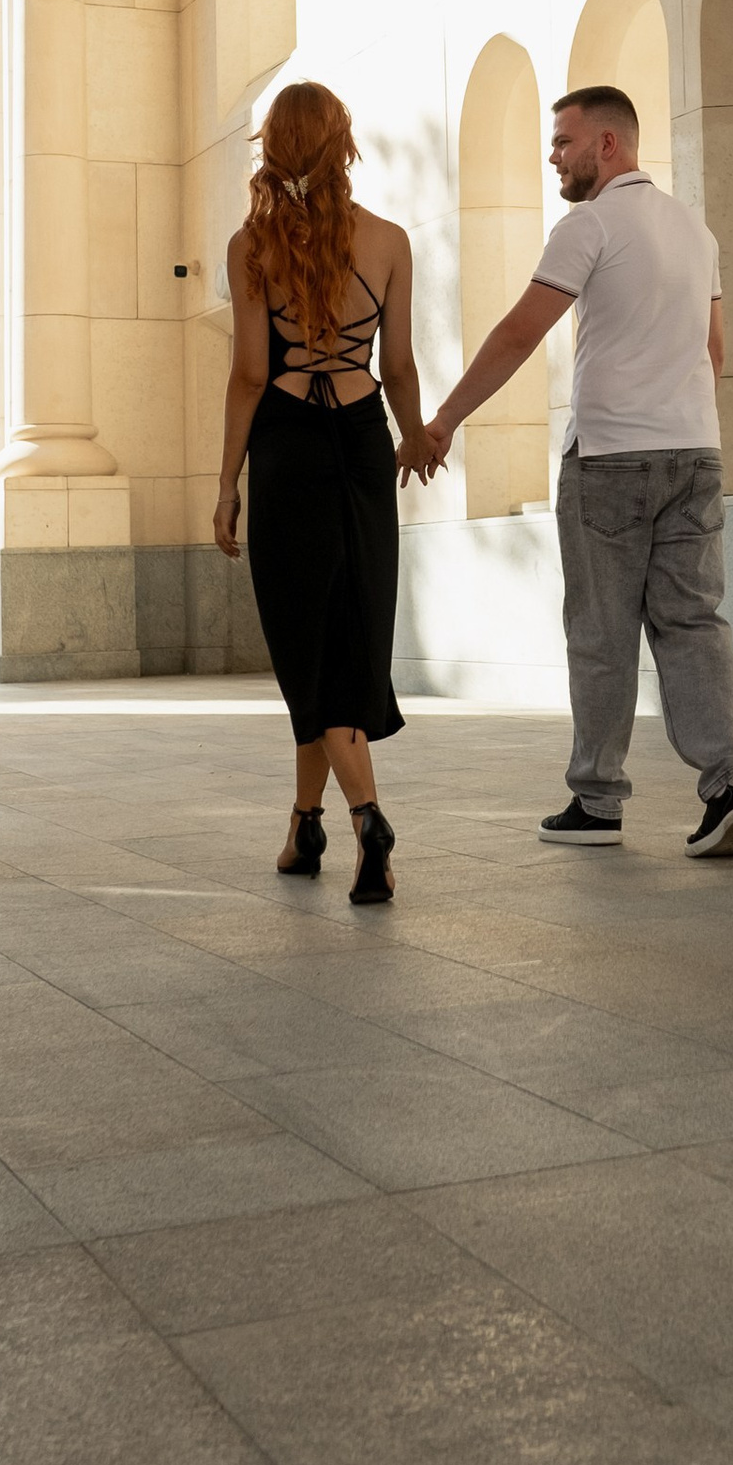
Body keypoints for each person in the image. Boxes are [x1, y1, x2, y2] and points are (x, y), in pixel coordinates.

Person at [412, 83, 733, 858]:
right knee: (694, 623)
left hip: (612, 458)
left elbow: (517, 333)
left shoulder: (590, 224)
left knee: (602, 631)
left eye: (564, 142)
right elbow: (716, 356)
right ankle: (729, 786)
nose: (553, 156)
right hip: (696, 455)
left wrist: (443, 421)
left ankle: (598, 803)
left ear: (609, 144)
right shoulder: (695, 233)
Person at [213, 80, 429, 904]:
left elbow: (250, 374)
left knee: (310, 646)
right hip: (365, 447)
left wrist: (225, 483)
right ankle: (305, 827)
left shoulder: (250, 247)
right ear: (342, 145)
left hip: (289, 452)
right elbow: (398, 367)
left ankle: (368, 816)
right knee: (344, 641)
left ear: (273, 147)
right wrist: (412, 436)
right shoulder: (389, 242)